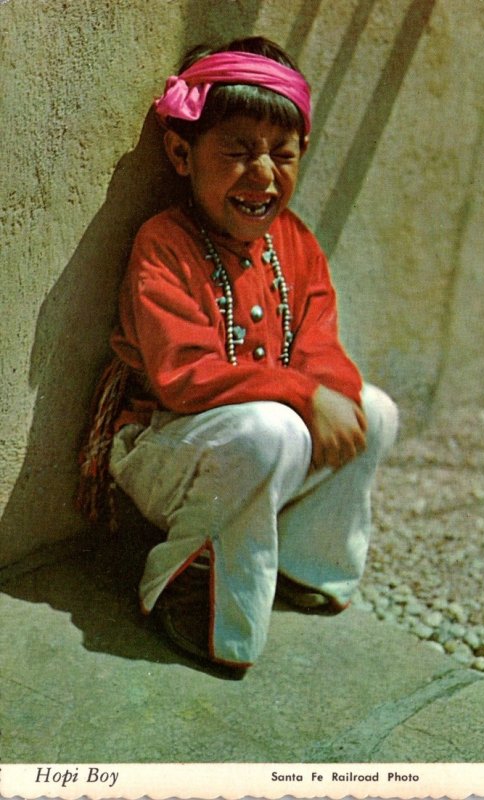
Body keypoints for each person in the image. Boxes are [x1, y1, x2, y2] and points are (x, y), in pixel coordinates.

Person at [78, 36, 398, 676]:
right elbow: (183, 375)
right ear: (181, 151)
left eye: (283, 154)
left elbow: (320, 344)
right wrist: (304, 396)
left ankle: (304, 565)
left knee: (375, 411)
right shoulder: (163, 246)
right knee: (269, 428)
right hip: (163, 443)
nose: (263, 175)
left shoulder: (295, 242)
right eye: (237, 152)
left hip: (253, 444)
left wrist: (327, 393)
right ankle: (192, 599)